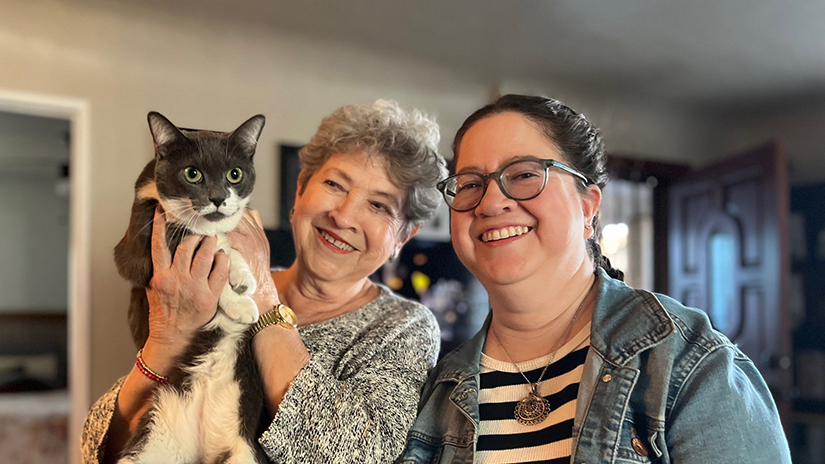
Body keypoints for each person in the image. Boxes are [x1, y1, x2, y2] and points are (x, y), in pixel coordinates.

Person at [398, 94, 791, 463]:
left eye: (524, 175)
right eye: (469, 184)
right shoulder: (439, 388)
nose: (491, 202)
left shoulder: (689, 362)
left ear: (588, 207)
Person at [81, 99, 449, 463]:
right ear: (301, 187)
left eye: (379, 206)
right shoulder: (199, 278)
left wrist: (264, 298)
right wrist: (166, 339)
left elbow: (350, 455)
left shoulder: (404, 328)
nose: (344, 216)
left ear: (403, 236)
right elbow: (97, 443)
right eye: (336, 185)